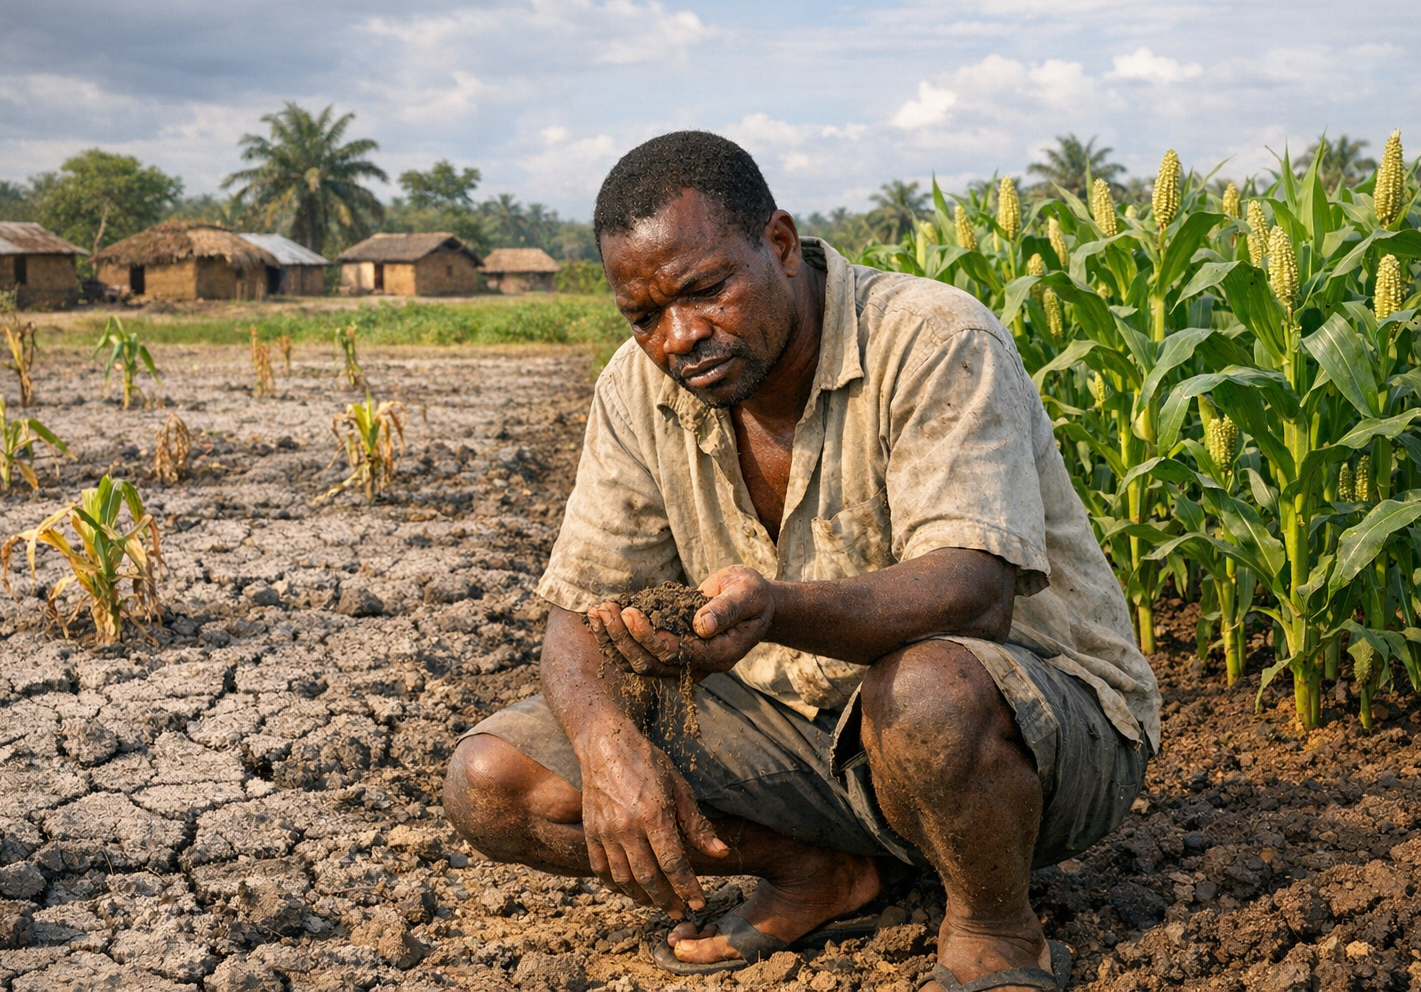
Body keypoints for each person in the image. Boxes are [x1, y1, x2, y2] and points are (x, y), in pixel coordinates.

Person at [444, 131, 1159, 991]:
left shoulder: (931, 337)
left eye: (706, 290)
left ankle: (996, 923)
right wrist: (607, 751)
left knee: (927, 690)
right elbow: (578, 615)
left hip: (1027, 739)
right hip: (800, 734)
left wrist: (777, 610)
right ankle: (821, 870)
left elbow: (974, 595)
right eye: (644, 318)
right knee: (495, 783)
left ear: (780, 244)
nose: (680, 338)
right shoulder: (638, 393)